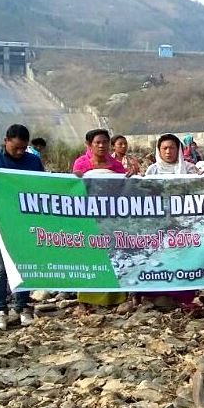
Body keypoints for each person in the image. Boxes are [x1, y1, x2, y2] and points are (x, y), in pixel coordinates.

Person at [0, 125, 46, 330]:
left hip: (25, 221)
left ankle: (22, 306)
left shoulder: (33, 162)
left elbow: (43, 188)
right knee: (0, 268)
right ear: (6, 141)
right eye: (16, 148)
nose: (20, 152)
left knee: (23, 263)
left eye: (23, 148)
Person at [69, 130, 129, 308]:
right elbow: (75, 188)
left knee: (113, 255)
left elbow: (123, 189)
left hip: (111, 217)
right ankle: (87, 299)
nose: (102, 146)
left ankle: (115, 298)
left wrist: (130, 179)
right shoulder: (81, 163)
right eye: (97, 143)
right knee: (91, 255)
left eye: (105, 142)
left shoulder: (117, 165)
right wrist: (77, 179)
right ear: (89, 145)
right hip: (89, 217)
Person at [140, 134, 199, 310]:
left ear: (178, 149)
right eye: (164, 148)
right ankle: (154, 296)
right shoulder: (152, 171)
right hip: (159, 224)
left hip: (184, 224)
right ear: (158, 150)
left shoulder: (189, 169)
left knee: (183, 259)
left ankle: (183, 298)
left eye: (172, 147)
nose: (168, 151)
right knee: (159, 258)